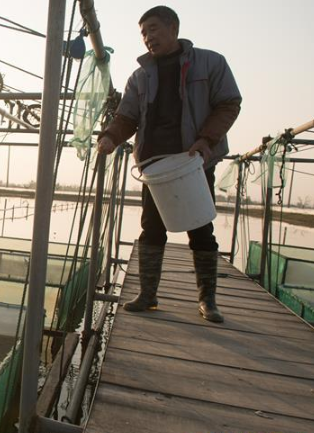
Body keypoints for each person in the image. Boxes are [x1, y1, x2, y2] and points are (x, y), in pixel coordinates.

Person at [97, 6, 241, 323]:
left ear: (173, 27)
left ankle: (208, 300)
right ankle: (148, 295)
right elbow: (126, 118)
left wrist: (206, 140)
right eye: (143, 33)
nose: (148, 37)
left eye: (153, 29)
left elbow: (229, 103)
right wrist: (110, 137)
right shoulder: (140, 76)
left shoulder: (210, 63)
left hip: (193, 161)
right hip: (155, 166)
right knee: (151, 228)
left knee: (201, 229)